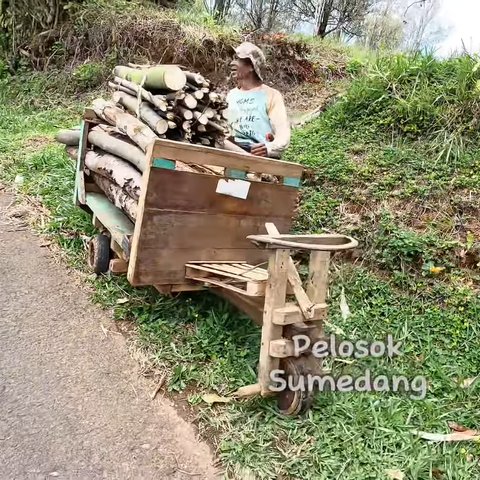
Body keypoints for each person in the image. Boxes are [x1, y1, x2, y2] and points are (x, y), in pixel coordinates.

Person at [225, 42, 291, 159]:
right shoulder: (231, 95)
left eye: (237, 59)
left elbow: (283, 134)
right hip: (232, 153)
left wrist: (269, 148)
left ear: (251, 66)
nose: (231, 63)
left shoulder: (271, 95)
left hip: (260, 157)